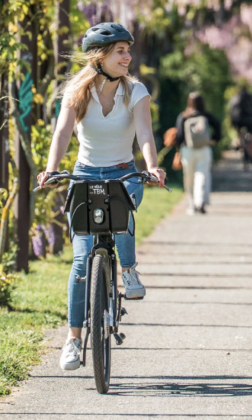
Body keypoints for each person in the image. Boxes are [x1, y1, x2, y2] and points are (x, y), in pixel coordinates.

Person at [40, 22, 167, 372]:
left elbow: (144, 133)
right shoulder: (77, 93)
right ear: (100, 57)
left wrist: (152, 167)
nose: (128, 57)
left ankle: (128, 270)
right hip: (83, 174)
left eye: (128, 50)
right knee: (81, 263)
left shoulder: (135, 91)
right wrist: (52, 169)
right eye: (120, 52)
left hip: (124, 172)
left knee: (122, 213)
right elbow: (63, 132)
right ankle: (73, 340)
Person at [173, 92, 222, 214]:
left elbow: (178, 135)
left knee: (188, 177)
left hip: (187, 150)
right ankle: (200, 201)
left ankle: (191, 204)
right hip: (204, 149)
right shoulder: (206, 116)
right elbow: (218, 127)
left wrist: (180, 147)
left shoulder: (183, 116)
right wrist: (213, 140)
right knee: (202, 175)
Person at [228, 84, 252, 168]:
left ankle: (240, 145)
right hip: (250, 120)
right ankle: (251, 155)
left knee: (239, 134)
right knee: (251, 136)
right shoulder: (251, 97)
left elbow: (231, 110)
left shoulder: (235, 98)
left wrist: (232, 122)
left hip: (238, 120)